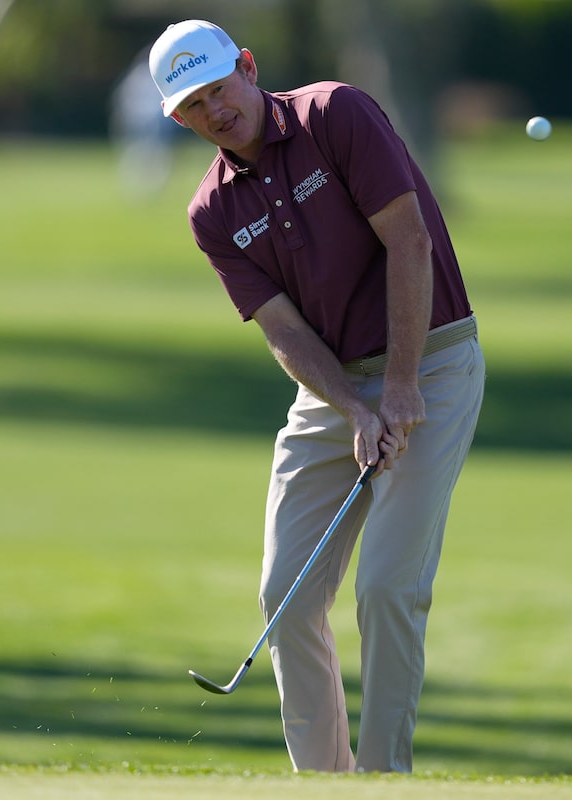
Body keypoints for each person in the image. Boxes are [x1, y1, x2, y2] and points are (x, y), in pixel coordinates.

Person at [147, 19, 485, 773]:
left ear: (247, 65)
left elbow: (410, 241)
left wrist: (397, 388)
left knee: (388, 587)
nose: (216, 111)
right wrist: (355, 407)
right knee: (287, 596)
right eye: (194, 106)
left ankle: (383, 779)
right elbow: (284, 332)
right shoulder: (213, 213)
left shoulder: (336, 114)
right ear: (178, 120)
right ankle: (322, 784)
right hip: (333, 388)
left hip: (431, 362)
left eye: (219, 89)